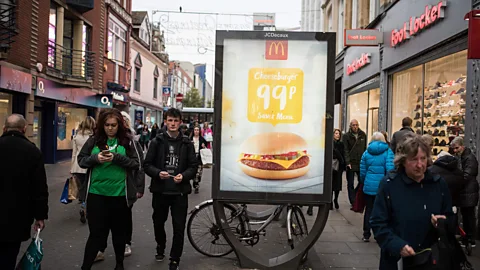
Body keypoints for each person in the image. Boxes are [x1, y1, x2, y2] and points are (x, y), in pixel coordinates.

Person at [370, 135, 453, 269]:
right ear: (403, 161)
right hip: (397, 261)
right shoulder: (389, 185)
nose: (419, 165)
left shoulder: (438, 184)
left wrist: (443, 222)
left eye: (423, 159)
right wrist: (396, 245)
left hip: (431, 260)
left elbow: (451, 218)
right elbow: (377, 222)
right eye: (414, 160)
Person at [78, 108, 140, 270]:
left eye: (114, 125)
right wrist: (96, 158)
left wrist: (117, 158)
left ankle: (119, 264)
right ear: (102, 125)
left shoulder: (127, 141)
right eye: (107, 125)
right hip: (96, 194)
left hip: (120, 195)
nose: (110, 128)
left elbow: (136, 163)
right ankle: (85, 266)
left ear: (119, 125)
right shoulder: (94, 140)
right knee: (96, 235)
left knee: (119, 233)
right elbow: (81, 160)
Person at [144, 108, 198, 270]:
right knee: (158, 223)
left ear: (180, 123)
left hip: (179, 192)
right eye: (170, 120)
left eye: (176, 121)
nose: (173, 124)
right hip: (161, 191)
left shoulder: (187, 143)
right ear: (165, 121)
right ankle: (161, 245)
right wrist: (157, 173)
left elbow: (193, 166)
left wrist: (185, 175)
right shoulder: (157, 142)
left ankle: (175, 258)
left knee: (179, 226)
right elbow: (147, 165)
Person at [0, 114, 48, 269]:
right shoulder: (32, 151)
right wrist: (40, 216)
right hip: (17, 216)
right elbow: (39, 187)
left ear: (4, 128)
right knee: (9, 254)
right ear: (24, 129)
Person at [359, 132, 394, 242]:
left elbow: (362, 172)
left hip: (369, 185)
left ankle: (366, 233)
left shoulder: (366, 152)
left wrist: (364, 182)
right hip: (382, 187)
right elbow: (390, 169)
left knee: (368, 210)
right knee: (382, 211)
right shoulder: (388, 152)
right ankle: (379, 233)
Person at [308, 128, 345, 215]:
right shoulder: (327, 143)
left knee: (337, 185)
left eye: (338, 133)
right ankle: (324, 204)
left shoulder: (341, 144)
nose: (338, 135)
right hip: (328, 167)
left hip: (338, 167)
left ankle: (334, 200)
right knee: (328, 186)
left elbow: (343, 154)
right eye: (336, 133)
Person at [450, 136, 479, 247]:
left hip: (468, 191)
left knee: (469, 216)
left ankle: (470, 239)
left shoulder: (469, 158)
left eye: (457, 148)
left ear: (462, 146)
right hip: (466, 191)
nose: (455, 151)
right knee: (466, 215)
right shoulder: (463, 157)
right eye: (454, 149)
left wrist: (457, 181)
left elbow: (468, 175)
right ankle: (467, 238)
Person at [71, 116, 95, 224]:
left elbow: (74, 153)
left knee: (81, 188)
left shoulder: (76, 136)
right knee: (89, 188)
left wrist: (72, 167)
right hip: (88, 165)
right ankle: (86, 206)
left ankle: (83, 204)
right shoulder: (92, 137)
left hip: (77, 166)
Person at [343, 119, 367, 206]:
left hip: (360, 162)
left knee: (362, 180)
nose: (355, 127)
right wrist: (347, 162)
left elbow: (365, 149)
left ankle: (355, 194)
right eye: (353, 125)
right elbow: (345, 150)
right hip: (351, 163)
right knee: (350, 183)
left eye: (356, 125)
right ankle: (352, 200)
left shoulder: (363, 135)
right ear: (350, 126)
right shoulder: (346, 136)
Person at [190, 125, 207, 194]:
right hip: (192, 158)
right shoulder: (190, 139)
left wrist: (204, 146)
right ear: (193, 131)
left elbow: (206, 147)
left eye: (197, 130)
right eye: (195, 130)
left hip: (199, 158)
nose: (196, 131)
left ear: (199, 131)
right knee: (194, 172)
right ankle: (195, 183)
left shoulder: (202, 139)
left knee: (198, 173)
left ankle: (196, 183)